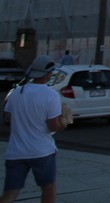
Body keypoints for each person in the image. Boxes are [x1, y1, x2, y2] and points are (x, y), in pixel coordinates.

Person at [1, 55, 65, 203]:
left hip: (15, 152)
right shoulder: (51, 95)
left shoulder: (17, 92)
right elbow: (52, 126)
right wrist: (62, 124)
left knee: (10, 193)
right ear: (48, 74)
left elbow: (9, 117)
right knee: (48, 188)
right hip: (42, 151)